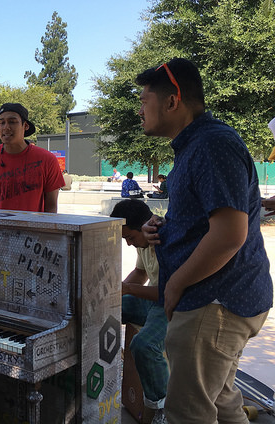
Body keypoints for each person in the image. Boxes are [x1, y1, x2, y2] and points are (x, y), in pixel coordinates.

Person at [138, 58, 272, 424]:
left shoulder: (212, 145)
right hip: (217, 301)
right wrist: (164, 228)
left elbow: (230, 234)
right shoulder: (195, 146)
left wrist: (174, 285)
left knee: (188, 413)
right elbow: (207, 221)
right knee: (224, 403)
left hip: (214, 303)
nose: (139, 111)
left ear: (172, 101)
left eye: (144, 100)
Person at [110, 200, 168, 424]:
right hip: (154, 302)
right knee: (103, 311)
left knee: (143, 345)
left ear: (143, 226)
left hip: (173, 306)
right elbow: (140, 273)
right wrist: (112, 295)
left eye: (130, 238)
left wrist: (127, 289)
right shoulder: (143, 242)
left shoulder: (163, 240)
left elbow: (168, 292)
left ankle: (161, 408)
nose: (128, 244)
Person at [0, 103, 65, 212]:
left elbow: (51, 207)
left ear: (25, 126)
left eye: (12, 122)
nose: (6, 127)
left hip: (33, 228)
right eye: (2, 122)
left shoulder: (47, 160)